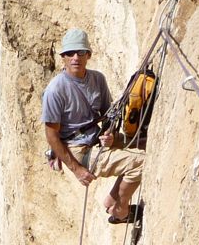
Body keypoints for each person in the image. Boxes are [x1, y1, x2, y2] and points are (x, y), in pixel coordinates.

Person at [41, 28, 143, 223]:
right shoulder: (55, 90)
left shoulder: (98, 79)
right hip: (77, 149)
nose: (75, 58)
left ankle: (111, 200)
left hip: (97, 138)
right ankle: (121, 212)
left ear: (88, 54)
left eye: (80, 53)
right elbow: (52, 136)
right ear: (63, 57)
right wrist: (77, 170)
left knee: (144, 142)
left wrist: (110, 134)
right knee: (141, 164)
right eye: (70, 54)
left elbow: (108, 115)